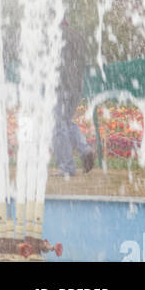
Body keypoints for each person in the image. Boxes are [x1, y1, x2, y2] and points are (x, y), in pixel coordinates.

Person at [51, 17, 95, 177]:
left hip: (60, 87)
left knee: (57, 125)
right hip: (76, 87)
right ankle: (85, 149)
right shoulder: (77, 35)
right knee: (65, 122)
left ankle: (67, 167)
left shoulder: (55, 35)